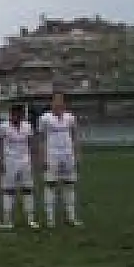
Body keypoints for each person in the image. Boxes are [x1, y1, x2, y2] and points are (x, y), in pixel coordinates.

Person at [39, 92, 82, 227]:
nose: (58, 103)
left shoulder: (70, 117)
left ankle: (71, 217)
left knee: (69, 185)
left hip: (68, 154)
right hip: (52, 154)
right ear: (51, 103)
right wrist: (42, 157)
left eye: (61, 101)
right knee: (50, 185)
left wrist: (77, 155)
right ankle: (50, 219)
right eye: (56, 101)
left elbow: (75, 137)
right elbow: (41, 139)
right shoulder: (45, 118)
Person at [0, 104, 37, 229]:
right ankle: (7, 220)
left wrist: (33, 159)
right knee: (8, 190)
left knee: (28, 189)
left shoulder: (27, 126)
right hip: (9, 161)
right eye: (14, 114)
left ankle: (30, 219)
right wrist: (0, 159)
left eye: (19, 114)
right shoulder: (3, 127)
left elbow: (31, 143)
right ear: (10, 115)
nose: (16, 116)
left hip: (25, 160)